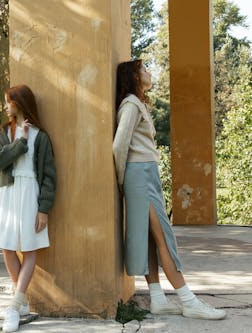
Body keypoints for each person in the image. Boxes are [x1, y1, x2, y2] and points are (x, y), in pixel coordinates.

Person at [113, 60, 226, 320]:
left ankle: (157, 298)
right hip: (139, 174)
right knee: (164, 236)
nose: (148, 72)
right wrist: (122, 181)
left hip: (145, 173)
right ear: (133, 76)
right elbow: (119, 145)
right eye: (143, 69)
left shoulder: (137, 103)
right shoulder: (130, 103)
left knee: (152, 238)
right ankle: (188, 300)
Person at [0, 84, 56, 332]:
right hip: (7, 194)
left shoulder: (42, 136)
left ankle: (15, 305)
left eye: (8, 101)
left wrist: (44, 208)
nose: (5, 106)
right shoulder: (3, 132)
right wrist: (21, 143)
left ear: (19, 103)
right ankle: (21, 302)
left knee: (28, 248)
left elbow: (49, 176)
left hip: (30, 194)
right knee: (7, 248)